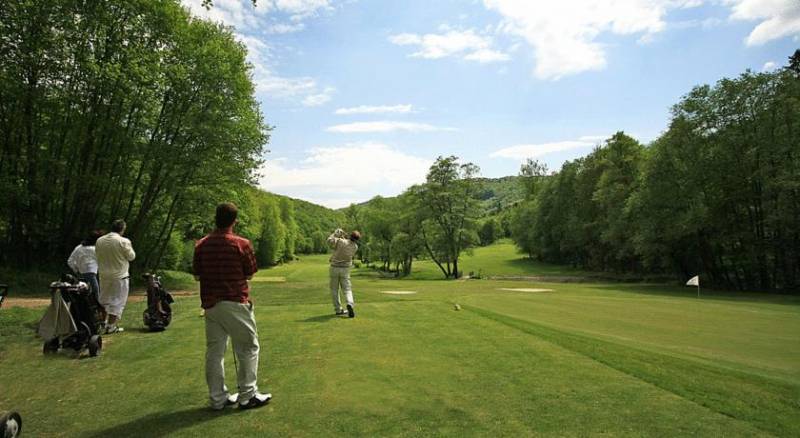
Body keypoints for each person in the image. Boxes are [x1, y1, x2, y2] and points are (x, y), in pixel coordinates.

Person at [193, 202, 271, 411]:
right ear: (234, 221)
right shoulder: (241, 243)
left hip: (210, 305)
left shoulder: (201, 244)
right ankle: (247, 395)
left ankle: (218, 399)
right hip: (235, 302)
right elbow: (250, 273)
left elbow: (197, 274)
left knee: (215, 352)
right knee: (248, 348)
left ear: (215, 218)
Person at [95, 220, 135, 334]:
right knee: (118, 301)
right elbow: (131, 256)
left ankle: (102, 324)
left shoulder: (100, 240)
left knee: (103, 300)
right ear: (122, 229)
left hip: (104, 275)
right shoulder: (123, 241)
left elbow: (97, 254)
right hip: (120, 276)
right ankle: (111, 326)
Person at [328, 228, 361, 318]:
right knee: (347, 289)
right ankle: (350, 303)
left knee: (334, 290)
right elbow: (346, 244)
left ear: (350, 236)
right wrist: (342, 237)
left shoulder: (341, 241)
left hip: (334, 268)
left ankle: (338, 310)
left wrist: (336, 233)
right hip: (345, 270)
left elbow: (330, 241)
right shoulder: (355, 247)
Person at [67, 230, 103, 303]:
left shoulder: (79, 247)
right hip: (91, 273)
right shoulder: (95, 249)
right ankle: (98, 308)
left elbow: (70, 261)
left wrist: (76, 269)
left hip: (80, 273)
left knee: (83, 292)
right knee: (95, 291)